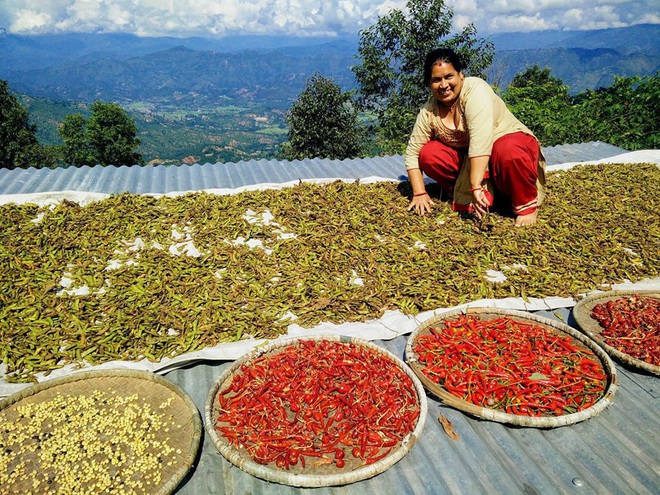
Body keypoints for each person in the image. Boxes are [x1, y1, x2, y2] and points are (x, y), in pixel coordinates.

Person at [405, 48, 546, 226]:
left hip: (504, 146)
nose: (443, 85)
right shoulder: (429, 111)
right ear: (429, 83)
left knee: (508, 150)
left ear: (460, 75)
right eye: (436, 80)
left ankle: (524, 205)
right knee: (430, 153)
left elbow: (480, 139)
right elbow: (412, 153)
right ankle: (477, 194)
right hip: (473, 162)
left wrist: (474, 185)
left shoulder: (475, 89)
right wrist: (419, 193)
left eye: (449, 76)